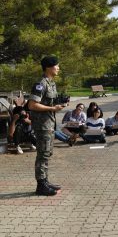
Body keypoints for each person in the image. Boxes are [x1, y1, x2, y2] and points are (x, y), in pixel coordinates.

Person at [27, 56, 66, 196]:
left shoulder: (51, 83)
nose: (58, 68)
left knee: (47, 153)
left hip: (49, 124)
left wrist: (58, 105)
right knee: (42, 154)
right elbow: (32, 105)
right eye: (57, 65)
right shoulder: (41, 83)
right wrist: (52, 109)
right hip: (42, 125)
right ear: (49, 67)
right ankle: (41, 186)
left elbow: (48, 103)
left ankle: (45, 181)